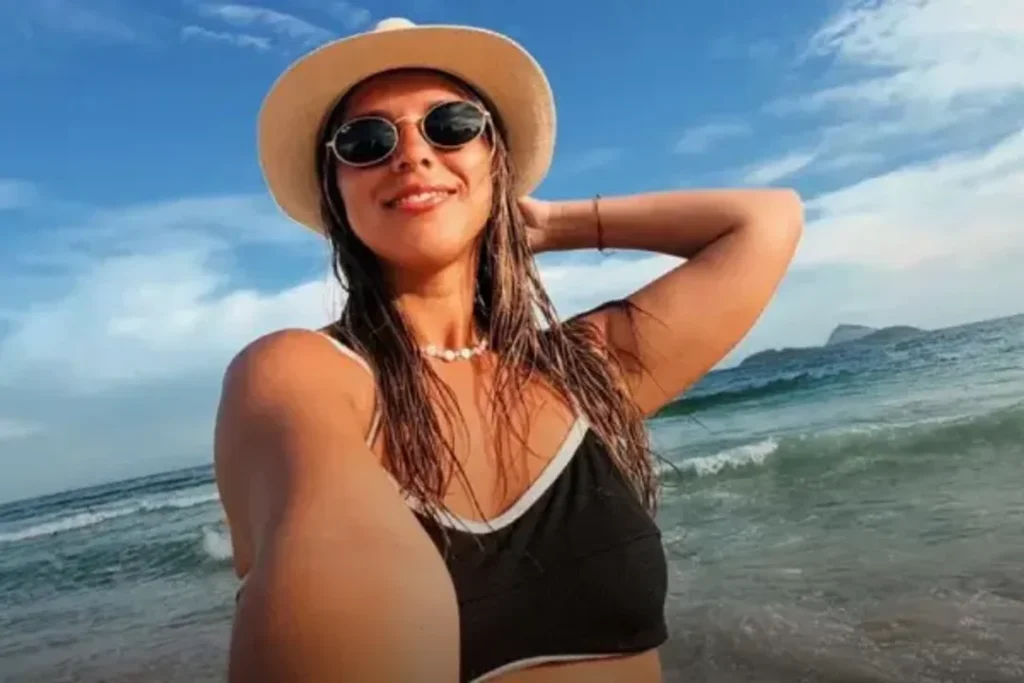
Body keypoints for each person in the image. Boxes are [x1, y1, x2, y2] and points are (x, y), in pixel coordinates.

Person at [213, 16, 802, 683]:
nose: (412, 154)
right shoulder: (300, 374)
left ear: (496, 159)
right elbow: (338, 560)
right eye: (367, 140)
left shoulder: (583, 371)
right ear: (336, 189)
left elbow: (766, 220)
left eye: (452, 125)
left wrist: (549, 223)